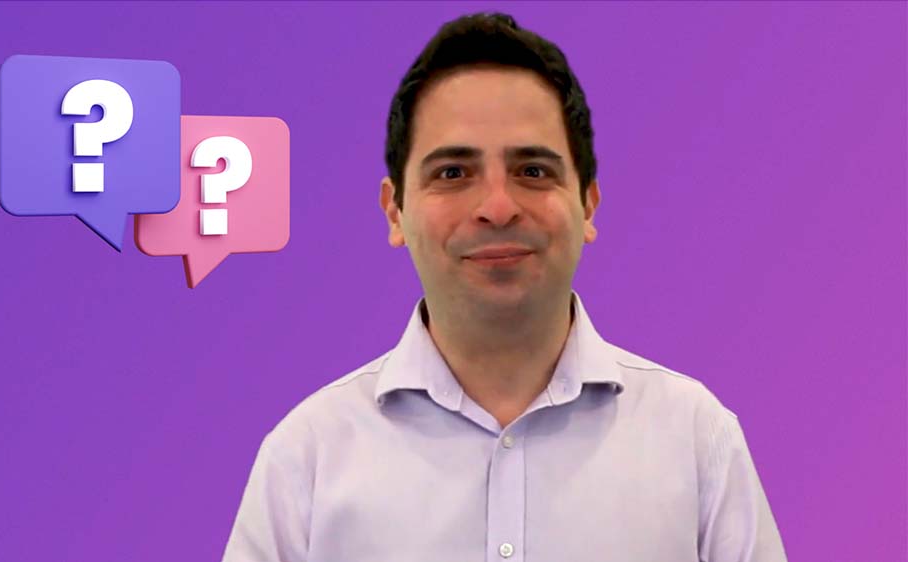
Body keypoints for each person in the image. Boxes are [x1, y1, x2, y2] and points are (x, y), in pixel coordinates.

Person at [221, 12, 788, 562]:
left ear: (588, 204)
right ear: (395, 211)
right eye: (453, 173)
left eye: (532, 171)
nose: (497, 207)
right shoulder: (307, 456)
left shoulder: (696, 439)